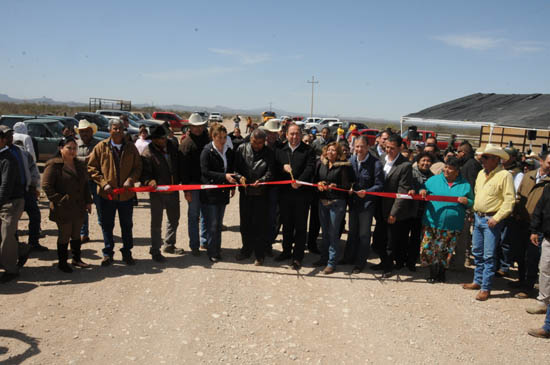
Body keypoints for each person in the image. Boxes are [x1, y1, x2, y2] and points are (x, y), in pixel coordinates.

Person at [463, 144, 515, 301]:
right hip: (479, 217)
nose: (481, 160)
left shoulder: (505, 175)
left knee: (488, 254)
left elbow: (509, 200)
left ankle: (486, 287)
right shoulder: (480, 173)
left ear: (495, 159)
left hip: (491, 219)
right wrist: (473, 211)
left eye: (485, 157)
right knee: (477, 251)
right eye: (482, 157)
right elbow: (478, 195)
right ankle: (478, 281)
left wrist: (497, 218)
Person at [88, 119, 142, 266]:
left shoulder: (131, 148)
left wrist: (131, 179)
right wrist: (103, 184)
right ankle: (108, 253)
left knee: (126, 225)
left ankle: (127, 253)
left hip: (126, 195)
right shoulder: (101, 147)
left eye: (120, 128)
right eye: (114, 128)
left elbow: (138, 167)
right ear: (109, 129)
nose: (118, 131)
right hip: (107, 195)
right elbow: (92, 168)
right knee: (107, 225)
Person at [419, 157, 473, 282]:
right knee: (429, 248)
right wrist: (422, 190)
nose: (447, 170)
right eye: (446, 167)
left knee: (445, 250)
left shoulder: (465, 185)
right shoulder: (433, 180)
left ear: (457, 171)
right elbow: (422, 189)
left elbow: (472, 201)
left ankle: (441, 273)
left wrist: (467, 201)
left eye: (451, 168)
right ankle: (432, 272)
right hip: (432, 221)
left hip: (452, 225)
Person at [42, 137, 92, 272]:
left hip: (79, 206)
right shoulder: (54, 165)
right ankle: (62, 263)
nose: (72, 151)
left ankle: (77, 259)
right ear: (61, 149)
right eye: (69, 148)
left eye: (74, 148)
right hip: (63, 208)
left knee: (76, 234)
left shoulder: (79, 165)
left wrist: (88, 201)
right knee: (65, 234)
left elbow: (85, 185)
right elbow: (46, 186)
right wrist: (60, 200)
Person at [371, 134, 414, 278]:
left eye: (392, 148)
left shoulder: (405, 165)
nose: (388, 150)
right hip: (379, 207)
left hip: (392, 209)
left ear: (400, 148)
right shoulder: (381, 159)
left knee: (390, 241)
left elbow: (402, 191)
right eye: (387, 147)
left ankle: (389, 267)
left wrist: (394, 213)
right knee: (378, 239)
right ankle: (383, 262)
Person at [274, 124, 316, 270]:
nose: (294, 137)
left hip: (302, 195)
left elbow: (310, 168)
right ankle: (286, 251)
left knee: (300, 226)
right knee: (286, 225)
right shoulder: (280, 150)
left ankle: (298, 257)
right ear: (286, 135)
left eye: (297, 134)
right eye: (291, 134)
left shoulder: (308, 150)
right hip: (285, 195)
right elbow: (274, 169)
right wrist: (282, 168)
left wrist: (300, 182)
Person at [511, 151, 550, 304]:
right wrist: (516, 212)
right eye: (548, 162)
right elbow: (519, 195)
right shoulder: (529, 175)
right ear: (541, 161)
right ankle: (521, 280)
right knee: (519, 253)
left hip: (538, 226)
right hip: (521, 221)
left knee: (533, 256)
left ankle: (528, 286)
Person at [140, 124, 184, 262]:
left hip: (173, 190)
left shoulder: (172, 146)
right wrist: (150, 182)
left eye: (165, 137)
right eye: (161, 138)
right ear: (154, 139)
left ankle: (169, 245)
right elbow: (144, 175)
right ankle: (155, 250)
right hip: (157, 193)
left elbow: (178, 163)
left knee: (174, 218)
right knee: (156, 222)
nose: (164, 139)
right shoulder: (147, 153)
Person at [341, 136, 384, 273]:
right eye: (357, 146)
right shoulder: (350, 161)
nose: (359, 149)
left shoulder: (375, 163)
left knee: (364, 235)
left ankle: (360, 263)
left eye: (362, 146)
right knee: (352, 232)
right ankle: (348, 258)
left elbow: (379, 185)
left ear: (368, 147)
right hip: (353, 203)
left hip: (367, 204)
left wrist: (367, 192)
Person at [233, 129, 274, 265]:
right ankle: (246, 250)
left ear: (264, 141)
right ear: (250, 139)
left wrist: (262, 180)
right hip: (245, 193)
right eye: (254, 142)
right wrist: (240, 177)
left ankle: (259, 254)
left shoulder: (269, 152)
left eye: (260, 143)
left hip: (261, 194)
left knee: (260, 225)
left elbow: (271, 172)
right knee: (245, 224)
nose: (257, 145)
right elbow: (234, 169)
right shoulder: (241, 149)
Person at [312, 142, 353, 274]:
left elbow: (347, 186)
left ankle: (331, 262)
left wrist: (336, 185)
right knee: (324, 232)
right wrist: (318, 184)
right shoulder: (321, 163)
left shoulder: (344, 166)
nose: (330, 152)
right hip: (323, 201)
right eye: (329, 150)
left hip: (337, 202)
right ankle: (324, 258)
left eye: (334, 150)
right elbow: (315, 179)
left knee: (333, 233)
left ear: (339, 153)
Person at [6, 128, 46, 252]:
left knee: (35, 215)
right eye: (7, 136)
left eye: (11, 135)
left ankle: (33, 242)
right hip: (9, 193)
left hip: (26, 191)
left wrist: (34, 185)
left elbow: (33, 168)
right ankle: (14, 245)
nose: (10, 138)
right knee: (11, 221)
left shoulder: (21, 152)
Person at [200, 123, 235, 262]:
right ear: (213, 137)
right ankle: (212, 251)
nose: (223, 140)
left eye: (225, 137)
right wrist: (224, 176)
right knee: (212, 224)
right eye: (220, 137)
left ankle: (216, 247)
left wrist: (232, 186)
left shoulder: (228, 150)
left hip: (223, 192)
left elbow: (230, 168)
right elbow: (205, 172)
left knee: (218, 223)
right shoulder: (207, 151)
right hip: (210, 194)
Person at [180, 113, 210, 256]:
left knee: (206, 214)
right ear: (190, 127)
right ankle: (194, 245)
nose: (198, 129)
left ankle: (205, 241)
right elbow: (183, 170)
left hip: (207, 184)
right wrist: (186, 190)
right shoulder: (186, 144)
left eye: (200, 126)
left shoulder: (209, 140)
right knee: (193, 216)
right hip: (192, 185)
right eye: (195, 126)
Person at [0, 126, 26, 283]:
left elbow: (6, 187)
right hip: (4, 200)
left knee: (6, 236)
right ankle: (22, 250)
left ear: (3, 140)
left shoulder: (7, 159)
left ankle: (11, 269)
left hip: (11, 203)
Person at [527, 184, 550, 338]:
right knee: (545, 270)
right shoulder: (549, 188)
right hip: (548, 238)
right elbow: (539, 208)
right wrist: (535, 229)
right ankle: (544, 302)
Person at [407, 151, 434, 271]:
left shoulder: (433, 178)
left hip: (422, 212)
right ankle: (400, 259)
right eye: (423, 160)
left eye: (428, 161)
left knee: (415, 238)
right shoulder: (410, 173)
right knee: (402, 236)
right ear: (418, 162)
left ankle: (411, 262)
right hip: (409, 210)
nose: (425, 163)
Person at [76, 119, 100, 244]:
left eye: (86, 131)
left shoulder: (98, 145)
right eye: (82, 131)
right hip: (80, 182)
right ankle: (83, 233)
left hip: (96, 180)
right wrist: (85, 159)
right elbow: (71, 159)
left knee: (101, 206)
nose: (84, 133)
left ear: (92, 131)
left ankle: (106, 231)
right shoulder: (74, 144)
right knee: (82, 208)